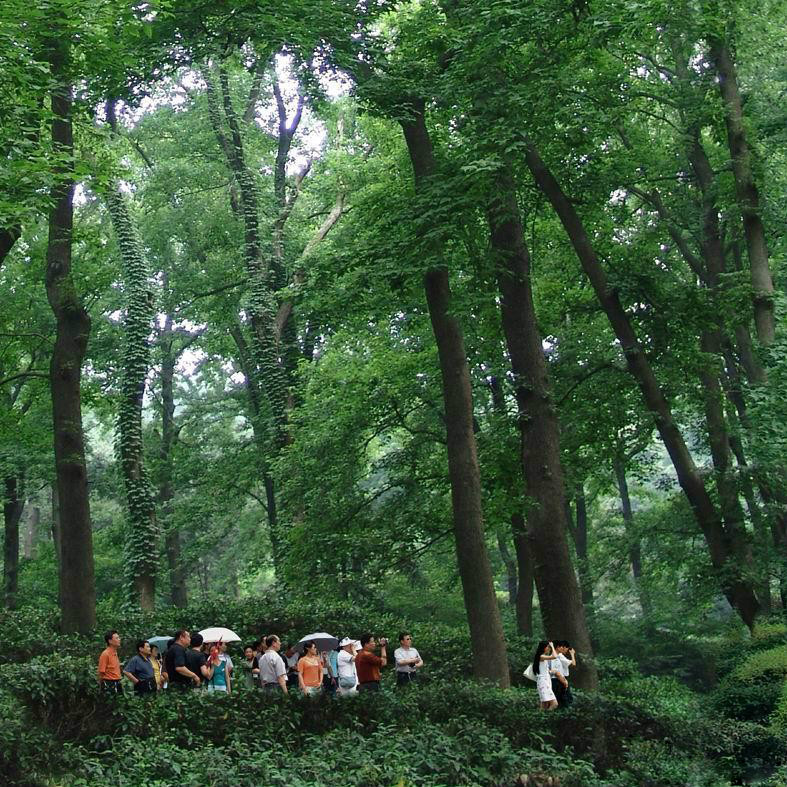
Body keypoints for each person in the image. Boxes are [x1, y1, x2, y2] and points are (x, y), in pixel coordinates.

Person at [532, 640, 559, 710]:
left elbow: (543, 670)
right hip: (543, 682)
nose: (549, 649)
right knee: (554, 704)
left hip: (546, 681)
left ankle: (541, 718)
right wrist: (553, 646)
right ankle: (547, 718)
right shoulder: (541, 656)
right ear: (543, 647)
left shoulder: (542, 657)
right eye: (548, 647)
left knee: (544, 705)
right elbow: (555, 656)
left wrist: (550, 671)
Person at [552, 640, 576, 707]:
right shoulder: (559, 656)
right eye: (562, 647)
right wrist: (572, 654)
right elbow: (573, 664)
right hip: (560, 679)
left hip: (561, 678)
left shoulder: (558, 656)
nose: (563, 649)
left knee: (564, 697)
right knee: (564, 698)